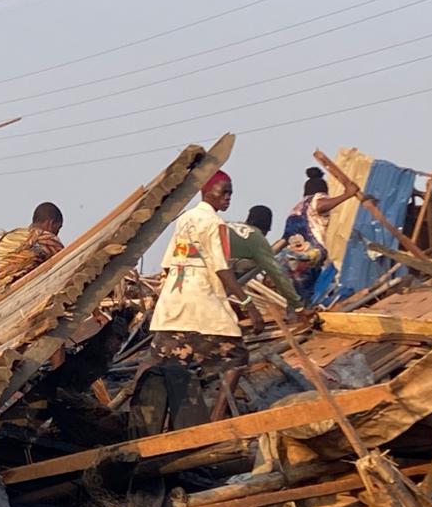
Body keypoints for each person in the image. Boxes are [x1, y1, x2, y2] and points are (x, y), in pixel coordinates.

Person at [148, 170, 263, 396]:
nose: (228, 197)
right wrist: (249, 304)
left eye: (231, 193)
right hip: (202, 301)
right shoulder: (215, 224)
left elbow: (170, 263)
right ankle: (217, 418)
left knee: (162, 364)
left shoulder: (185, 219)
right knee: (236, 356)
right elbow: (222, 269)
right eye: (224, 191)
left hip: (173, 301)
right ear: (206, 190)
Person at [277, 167, 358, 304]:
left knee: (298, 290)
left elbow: (284, 239)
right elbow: (322, 206)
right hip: (311, 254)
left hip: (291, 257)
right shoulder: (315, 201)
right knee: (308, 288)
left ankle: (299, 310)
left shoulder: (295, 209)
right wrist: (347, 195)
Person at [228, 206, 303, 312]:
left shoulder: (232, 227)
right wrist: (297, 305)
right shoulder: (254, 236)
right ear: (266, 229)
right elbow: (277, 272)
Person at [0, 202, 64, 292]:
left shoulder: (10, 236)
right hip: (11, 285)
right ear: (50, 223)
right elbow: (64, 259)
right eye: (58, 228)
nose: (57, 234)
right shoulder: (44, 239)